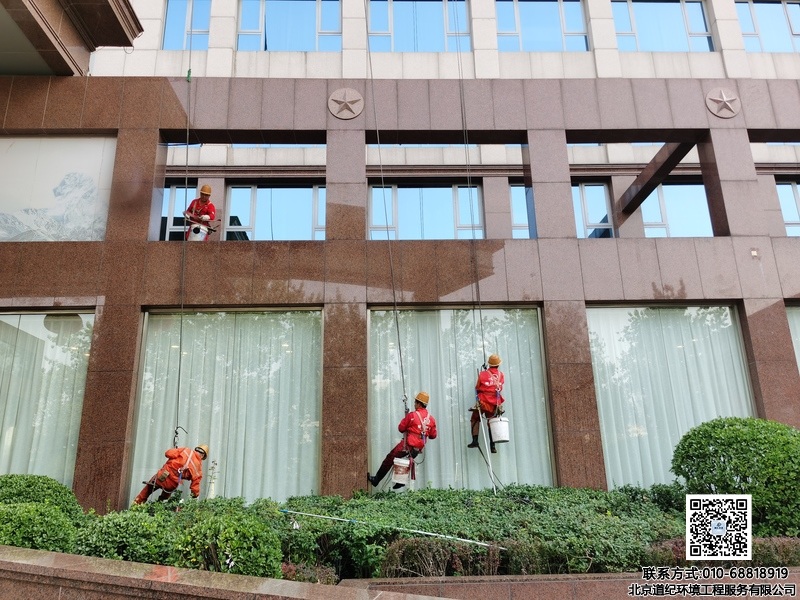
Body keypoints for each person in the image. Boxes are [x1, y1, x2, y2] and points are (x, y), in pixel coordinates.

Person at [367, 391, 437, 489]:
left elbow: (401, 428)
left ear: (418, 403)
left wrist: (408, 421)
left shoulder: (412, 415)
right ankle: (400, 481)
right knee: (403, 459)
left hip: (408, 445)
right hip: (417, 449)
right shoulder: (431, 419)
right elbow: (433, 436)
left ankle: (376, 479)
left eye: (415, 402)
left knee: (390, 458)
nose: (414, 404)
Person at [133, 444, 209, 505]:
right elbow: (195, 487)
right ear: (203, 456)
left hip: (163, 475)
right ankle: (157, 509)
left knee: (148, 490)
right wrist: (195, 495)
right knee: (164, 499)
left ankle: (136, 505)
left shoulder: (185, 450)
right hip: (172, 484)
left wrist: (176, 452)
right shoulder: (198, 469)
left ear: (196, 449)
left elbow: (167, 453)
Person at [468, 354, 505, 453]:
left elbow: (477, 387)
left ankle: (475, 441)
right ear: (498, 364)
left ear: (489, 364)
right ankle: (492, 446)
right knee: (492, 422)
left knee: (475, 418)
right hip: (495, 403)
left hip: (483, 401)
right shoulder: (501, 375)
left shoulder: (482, 374)